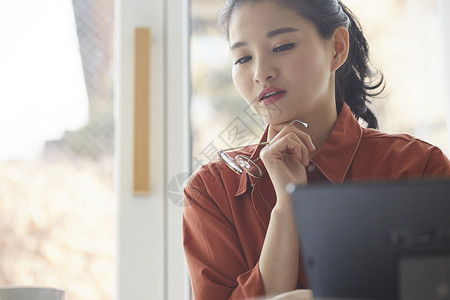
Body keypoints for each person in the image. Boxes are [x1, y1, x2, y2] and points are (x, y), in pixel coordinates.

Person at [182, 0, 450, 299]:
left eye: (282, 46)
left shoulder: (419, 168)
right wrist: (286, 208)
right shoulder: (212, 190)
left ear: (336, 47)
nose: (260, 72)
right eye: (243, 58)